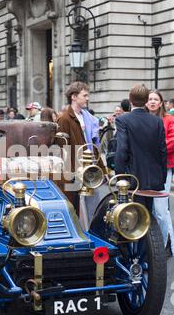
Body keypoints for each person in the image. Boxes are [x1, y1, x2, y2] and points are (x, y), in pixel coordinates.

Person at [115, 84, 167, 212]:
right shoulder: (157, 121)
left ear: (130, 100)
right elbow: (162, 151)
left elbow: (122, 149)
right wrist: (162, 177)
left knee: (132, 218)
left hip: (132, 177)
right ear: (146, 101)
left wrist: (120, 176)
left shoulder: (123, 120)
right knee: (148, 214)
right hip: (153, 177)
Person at [57, 81, 103, 213]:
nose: (87, 99)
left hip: (90, 169)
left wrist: (101, 169)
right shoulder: (64, 119)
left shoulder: (89, 118)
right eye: (85, 95)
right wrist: (71, 174)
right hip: (76, 172)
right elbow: (62, 149)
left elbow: (94, 146)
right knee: (78, 209)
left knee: (93, 207)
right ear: (74, 97)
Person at [146, 89, 174, 256]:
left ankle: (163, 246)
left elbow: (172, 140)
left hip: (164, 166)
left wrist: (154, 146)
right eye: (150, 99)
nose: (153, 102)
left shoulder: (169, 119)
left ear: (161, 102)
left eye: (156, 99)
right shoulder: (143, 118)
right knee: (150, 209)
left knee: (161, 210)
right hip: (145, 168)